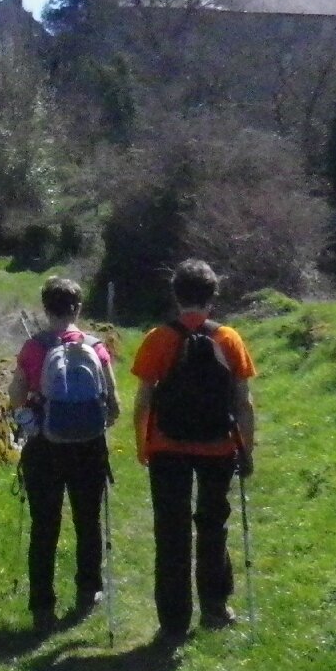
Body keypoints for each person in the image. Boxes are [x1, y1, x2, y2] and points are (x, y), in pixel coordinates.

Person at [130, 259, 257, 643]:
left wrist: (142, 445)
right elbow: (243, 403)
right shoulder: (229, 340)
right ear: (212, 297)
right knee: (213, 524)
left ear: (176, 295)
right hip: (218, 446)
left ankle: (173, 621)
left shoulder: (158, 339)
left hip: (168, 447)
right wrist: (246, 451)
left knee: (171, 532)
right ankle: (216, 607)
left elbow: (142, 402)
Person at [9, 276, 120, 635]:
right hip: (88, 446)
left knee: (45, 526)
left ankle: (43, 606)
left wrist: (28, 418)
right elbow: (113, 402)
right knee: (88, 520)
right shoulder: (95, 346)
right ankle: (89, 590)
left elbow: (16, 393)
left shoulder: (33, 348)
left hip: (44, 446)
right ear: (78, 308)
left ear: (45, 307)